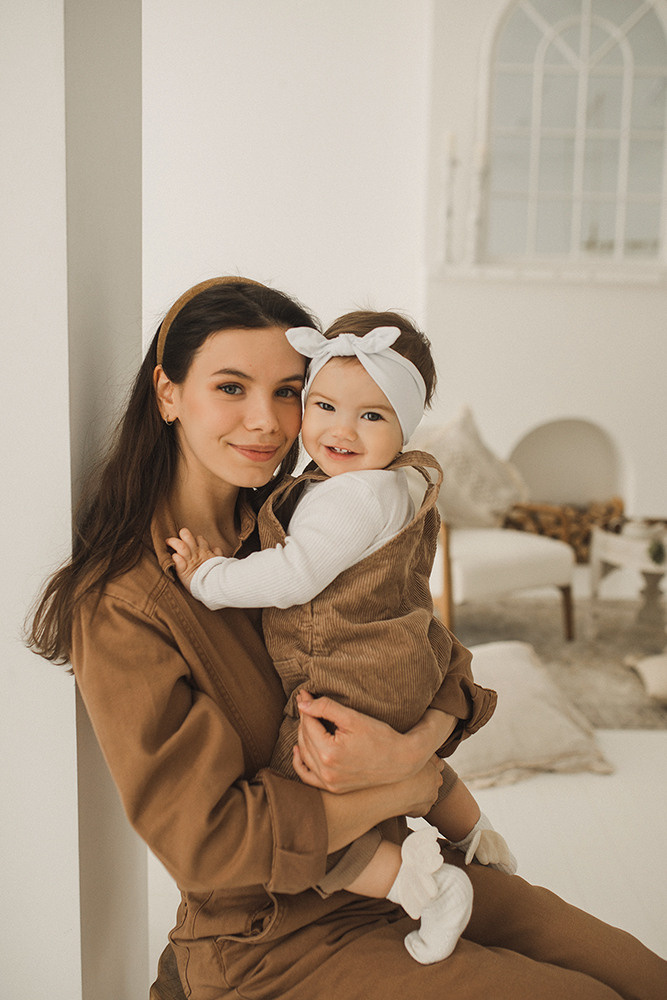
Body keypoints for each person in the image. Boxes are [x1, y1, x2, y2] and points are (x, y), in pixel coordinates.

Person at [27, 276, 667, 1000]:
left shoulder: (314, 521)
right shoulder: (125, 604)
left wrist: (410, 746)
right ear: (168, 393)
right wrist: (408, 782)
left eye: (287, 392)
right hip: (272, 933)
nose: (265, 422)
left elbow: (435, 656)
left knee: (642, 978)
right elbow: (208, 840)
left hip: (408, 869)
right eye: (231, 388)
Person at [165, 312, 516, 964]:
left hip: (341, 669)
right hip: (405, 661)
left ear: (403, 424)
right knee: (414, 766)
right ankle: (476, 837)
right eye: (323, 405)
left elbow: (294, 574)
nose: (340, 431)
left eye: (371, 417)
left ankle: (427, 887)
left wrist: (209, 578)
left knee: (297, 816)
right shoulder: (403, 484)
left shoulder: (346, 499)